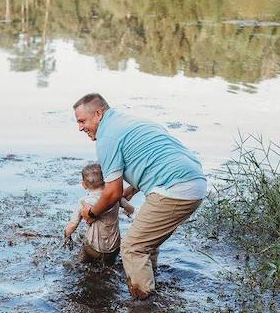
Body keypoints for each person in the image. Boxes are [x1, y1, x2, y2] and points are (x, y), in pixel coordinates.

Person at [73, 93, 207, 299]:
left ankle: (144, 307)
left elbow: (112, 192)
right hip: (194, 181)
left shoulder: (107, 137)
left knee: (133, 248)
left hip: (174, 189)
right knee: (146, 243)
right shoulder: (133, 122)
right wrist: (133, 189)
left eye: (82, 121)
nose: (80, 128)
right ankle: (151, 284)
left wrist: (92, 212)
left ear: (98, 114)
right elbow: (151, 158)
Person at [64, 163, 135, 265]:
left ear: (83, 185)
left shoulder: (83, 202)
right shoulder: (115, 198)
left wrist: (67, 236)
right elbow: (131, 210)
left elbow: (72, 225)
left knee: (79, 264)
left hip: (93, 249)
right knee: (109, 266)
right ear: (106, 181)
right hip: (114, 248)